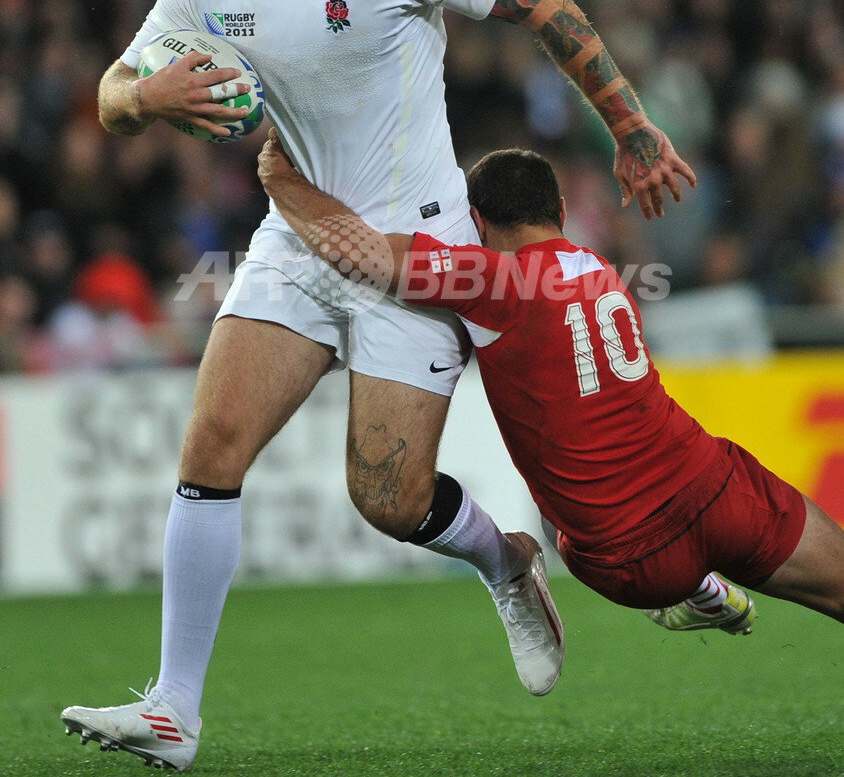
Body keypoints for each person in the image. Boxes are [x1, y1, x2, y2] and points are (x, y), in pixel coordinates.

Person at [61, 0, 695, 771]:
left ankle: (503, 558)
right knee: (212, 440)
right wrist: (147, 95)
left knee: (387, 499)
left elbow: (543, 4)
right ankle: (172, 709)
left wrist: (631, 127)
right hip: (298, 236)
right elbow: (109, 94)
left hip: (417, 252)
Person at [256, 138, 844, 639]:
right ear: (561, 209)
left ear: (479, 223)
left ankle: (692, 587)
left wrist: (281, 180)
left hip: (627, 557)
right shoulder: (599, 265)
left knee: (548, 523)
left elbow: (355, 254)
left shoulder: (494, 280)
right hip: (717, 490)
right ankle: (701, 583)